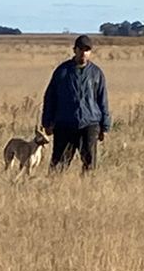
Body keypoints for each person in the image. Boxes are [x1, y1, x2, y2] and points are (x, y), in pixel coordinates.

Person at [41, 35, 111, 173]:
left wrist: (105, 127)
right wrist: (47, 122)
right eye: (81, 49)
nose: (83, 53)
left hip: (90, 124)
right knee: (58, 166)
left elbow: (102, 100)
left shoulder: (96, 73)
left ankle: (86, 191)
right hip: (65, 124)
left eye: (87, 50)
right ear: (74, 50)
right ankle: (53, 190)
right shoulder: (62, 71)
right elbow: (50, 97)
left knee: (90, 165)